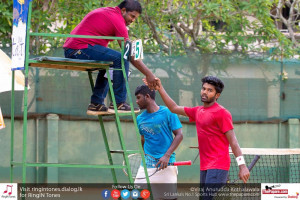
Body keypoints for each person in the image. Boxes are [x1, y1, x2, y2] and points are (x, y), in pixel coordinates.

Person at [148, 76, 250, 199]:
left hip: (218, 165)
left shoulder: (222, 113)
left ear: (217, 95)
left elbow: (233, 142)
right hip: (205, 165)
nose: (205, 92)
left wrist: (242, 166)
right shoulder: (198, 111)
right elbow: (174, 108)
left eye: (210, 90)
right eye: (204, 89)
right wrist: (160, 88)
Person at [63, 0, 157, 115]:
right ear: (123, 11)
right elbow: (129, 55)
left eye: (135, 18)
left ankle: (96, 104)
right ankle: (119, 103)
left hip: (77, 48)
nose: (132, 20)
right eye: (132, 16)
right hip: (78, 49)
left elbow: (129, 49)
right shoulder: (117, 19)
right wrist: (149, 74)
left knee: (110, 63)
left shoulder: (111, 14)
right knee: (121, 59)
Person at [134, 85, 183, 200]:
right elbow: (143, 139)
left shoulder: (168, 112)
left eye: (138, 98)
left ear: (147, 96)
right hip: (146, 165)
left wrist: (166, 156)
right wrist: (145, 155)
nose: (136, 101)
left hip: (166, 165)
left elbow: (179, 135)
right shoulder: (139, 119)